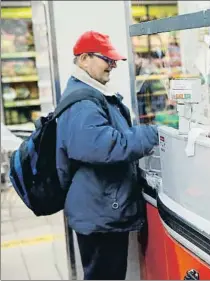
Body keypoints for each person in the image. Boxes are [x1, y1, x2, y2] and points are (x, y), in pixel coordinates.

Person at [56, 31, 159, 280]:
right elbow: (103, 147)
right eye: (107, 59)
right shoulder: (82, 102)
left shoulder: (92, 94)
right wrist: (153, 134)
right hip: (99, 211)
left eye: (114, 60)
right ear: (84, 60)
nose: (112, 65)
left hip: (100, 206)